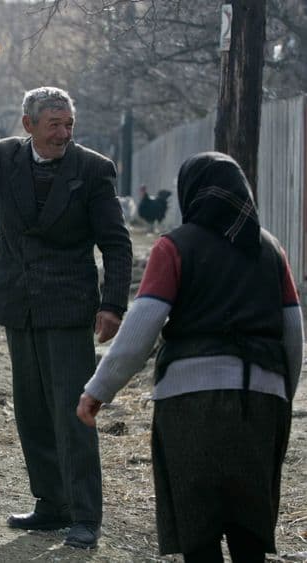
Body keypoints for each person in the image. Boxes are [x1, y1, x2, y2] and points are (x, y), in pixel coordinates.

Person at [0, 78, 132, 549]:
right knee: (32, 411)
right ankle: (51, 505)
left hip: (67, 308)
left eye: (69, 124)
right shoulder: (6, 158)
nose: (63, 133)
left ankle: (84, 516)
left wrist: (112, 305)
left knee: (73, 412)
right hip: (20, 305)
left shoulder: (94, 170)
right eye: (54, 124)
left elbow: (116, 244)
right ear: (29, 125)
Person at [77, 151, 303, 562]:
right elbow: (293, 333)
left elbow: (142, 327)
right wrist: (282, 391)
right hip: (262, 402)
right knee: (250, 524)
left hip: (191, 404)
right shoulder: (272, 250)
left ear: (190, 192)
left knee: (197, 525)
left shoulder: (175, 246)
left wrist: (99, 389)